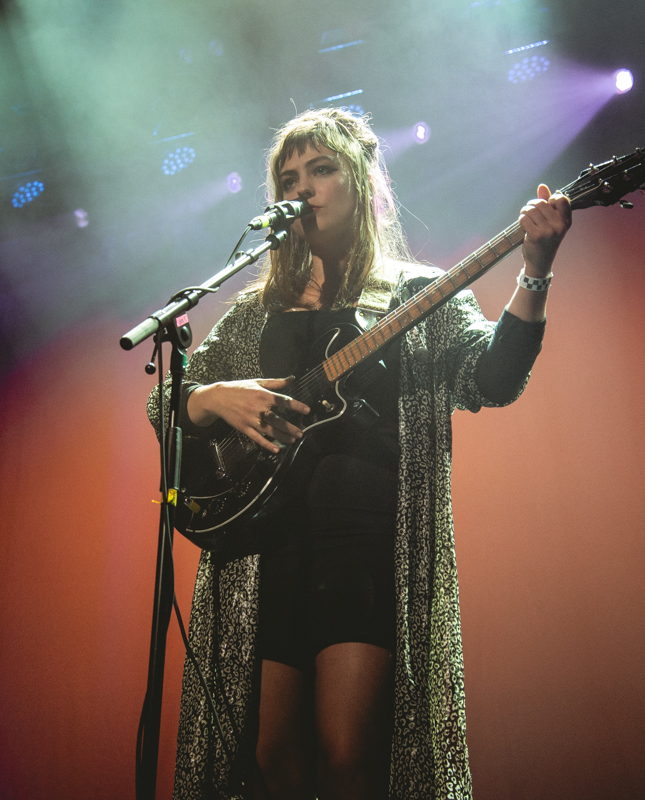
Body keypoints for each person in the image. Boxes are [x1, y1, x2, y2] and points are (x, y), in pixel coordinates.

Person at [147, 107, 571, 800]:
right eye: (288, 177)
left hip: (367, 549)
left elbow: (491, 380)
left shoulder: (415, 291)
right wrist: (214, 397)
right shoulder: (257, 309)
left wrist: (536, 270)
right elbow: (165, 400)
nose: (302, 188)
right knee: (270, 760)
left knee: (349, 758)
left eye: (321, 170)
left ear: (364, 182)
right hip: (268, 552)